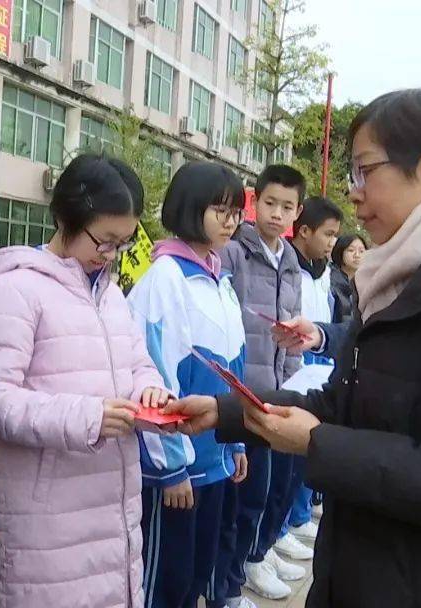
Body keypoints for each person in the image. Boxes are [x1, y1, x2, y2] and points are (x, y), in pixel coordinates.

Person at [165, 87, 421, 607]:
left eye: (364, 171)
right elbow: (344, 405)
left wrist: (319, 443)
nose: (353, 193)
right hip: (375, 567)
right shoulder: (407, 276)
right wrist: (227, 411)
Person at [0, 154, 170, 607]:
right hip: (45, 528)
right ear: (66, 217)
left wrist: (150, 391)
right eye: (103, 241)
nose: (111, 256)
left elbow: (139, 363)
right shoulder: (15, 290)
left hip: (112, 514)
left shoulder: (110, 294)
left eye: (123, 244)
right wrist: (87, 417)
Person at [127, 162, 250, 608]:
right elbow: (152, 379)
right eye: (219, 209)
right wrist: (169, 468)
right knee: (166, 581)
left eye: (235, 210)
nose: (230, 220)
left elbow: (235, 368)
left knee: (198, 572)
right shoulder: (165, 278)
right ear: (188, 207)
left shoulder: (220, 279)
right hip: (180, 469)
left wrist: (237, 441)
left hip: (216, 460)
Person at [217, 164, 306, 604]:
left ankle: (254, 559)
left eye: (286, 206)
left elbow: (293, 338)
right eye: (269, 203)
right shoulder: (236, 253)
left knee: (268, 491)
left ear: (297, 212)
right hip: (241, 401)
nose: (276, 213)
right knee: (241, 500)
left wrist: (293, 388)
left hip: (276, 397)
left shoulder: (290, 264)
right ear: (256, 202)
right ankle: (230, 583)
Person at [274, 197, 343, 556]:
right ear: (304, 231)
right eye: (328, 234)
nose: (333, 242)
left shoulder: (323, 274)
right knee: (281, 464)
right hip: (288, 376)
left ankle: (294, 519)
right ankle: (274, 535)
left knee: (302, 460)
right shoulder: (288, 270)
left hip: (317, 374)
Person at [329, 234, 367, 325]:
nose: (357, 255)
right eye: (351, 250)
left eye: (361, 251)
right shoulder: (329, 280)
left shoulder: (366, 282)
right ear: (340, 251)